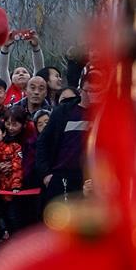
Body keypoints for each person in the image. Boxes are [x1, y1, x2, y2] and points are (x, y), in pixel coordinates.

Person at [35, 66, 101, 206]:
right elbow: (43, 142)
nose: (90, 96)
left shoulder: (106, 115)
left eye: (95, 91)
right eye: (87, 91)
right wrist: (46, 174)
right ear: (80, 90)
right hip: (63, 176)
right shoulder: (64, 112)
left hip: (95, 179)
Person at [0, 29, 44, 105]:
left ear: (31, 77)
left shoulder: (36, 89)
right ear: (11, 79)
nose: (21, 74)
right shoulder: (7, 88)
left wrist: (36, 47)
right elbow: (2, 68)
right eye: (17, 73)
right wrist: (5, 47)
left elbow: (39, 68)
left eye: (25, 72)